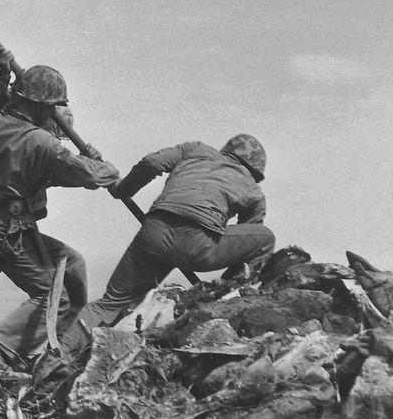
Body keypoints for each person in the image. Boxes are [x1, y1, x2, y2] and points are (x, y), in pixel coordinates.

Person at [0, 65, 119, 366]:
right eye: (51, 108)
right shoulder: (42, 143)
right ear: (42, 106)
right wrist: (103, 164)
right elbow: (90, 176)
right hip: (6, 230)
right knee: (57, 297)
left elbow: (37, 166)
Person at [75, 134, 275, 332]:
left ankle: (56, 353)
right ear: (254, 171)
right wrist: (225, 285)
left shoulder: (196, 149)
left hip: (154, 233)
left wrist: (123, 189)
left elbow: (153, 162)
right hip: (198, 246)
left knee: (109, 305)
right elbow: (245, 253)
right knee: (265, 238)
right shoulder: (253, 191)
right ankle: (227, 296)